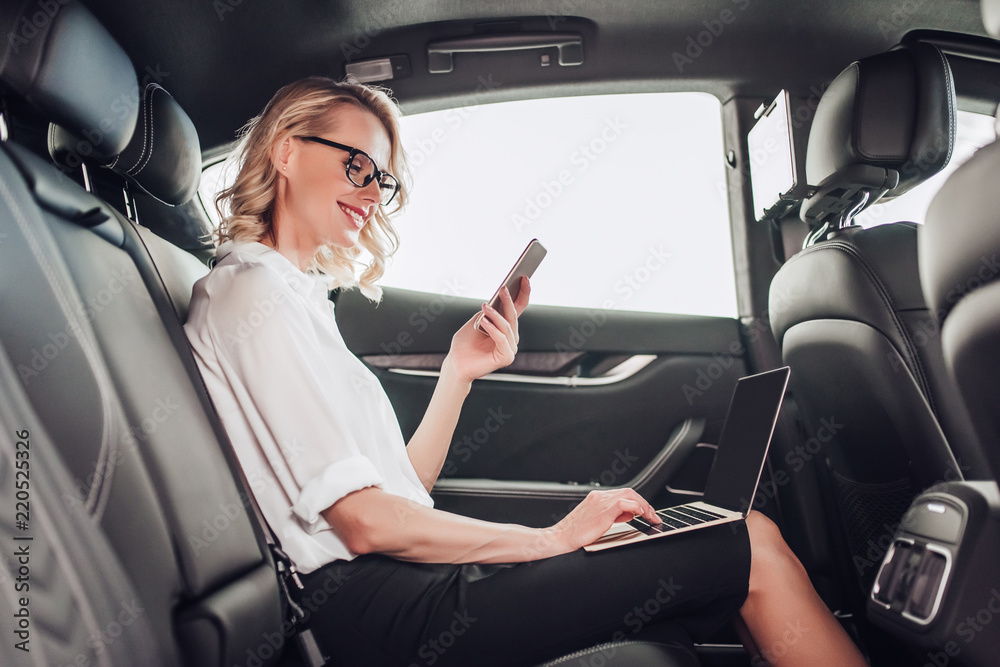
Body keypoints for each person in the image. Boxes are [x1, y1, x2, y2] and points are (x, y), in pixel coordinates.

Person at [184, 76, 867, 667]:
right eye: (358, 165)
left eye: (383, 180)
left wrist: (458, 372)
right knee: (748, 539)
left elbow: (403, 489)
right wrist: (550, 538)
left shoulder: (297, 299)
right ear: (287, 150)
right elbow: (364, 522)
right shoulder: (254, 296)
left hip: (395, 582)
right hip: (382, 611)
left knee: (691, 535)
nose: (372, 194)